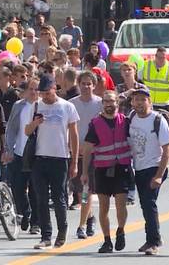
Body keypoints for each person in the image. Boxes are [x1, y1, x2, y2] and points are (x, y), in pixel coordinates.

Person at [31, 75, 79, 250]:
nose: (45, 96)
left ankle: (62, 231)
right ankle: (46, 235)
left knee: (59, 198)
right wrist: (35, 123)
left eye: (47, 92)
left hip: (60, 158)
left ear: (54, 89)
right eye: (42, 93)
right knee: (41, 198)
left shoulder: (67, 107)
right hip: (40, 157)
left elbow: (74, 135)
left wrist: (74, 162)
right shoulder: (37, 105)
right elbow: (27, 130)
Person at [82, 91, 133, 253]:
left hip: (121, 168)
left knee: (120, 205)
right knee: (103, 207)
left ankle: (121, 230)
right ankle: (107, 240)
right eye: (105, 101)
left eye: (111, 101)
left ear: (117, 103)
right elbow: (88, 149)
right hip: (102, 169)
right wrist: (84, 172)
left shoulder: (125, 121)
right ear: (102, 104)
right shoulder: (95, 123)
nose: (108, 104)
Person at [127, 88, 169, 255]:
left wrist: (159, 175)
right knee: (145, 205)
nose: (139, 102)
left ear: (150, 102)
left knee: (149, 203)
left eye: (143, 99)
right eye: (136, 99)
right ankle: (150, 239)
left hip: (155, 167)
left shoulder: (158, 120)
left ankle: (154, 242)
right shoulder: (131, 117)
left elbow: (167, 148)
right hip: (138, 167)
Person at [3, 78, 40, 235]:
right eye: (30, 88)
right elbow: (11, 128)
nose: (33, 92)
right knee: (17, 188)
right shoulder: (19, 106)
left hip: (37, 154)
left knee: (35, 190)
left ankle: (36, 223)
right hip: (19, 152)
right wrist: (8, 149)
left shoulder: (43, 106)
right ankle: (25, 212)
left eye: (36, 89)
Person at [68, 72, 102, 237]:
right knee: (82, 192)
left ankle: (82, 225)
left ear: (94, 85)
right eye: (83, 83)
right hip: (77, 154)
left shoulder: (100, 104)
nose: (86, 86)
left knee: (87, 190)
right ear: (78, 84)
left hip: (94, 153)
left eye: (89, 84)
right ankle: (90, 218)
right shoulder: (71, 104)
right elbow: (67, 129)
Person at [139, 47, 169, 112]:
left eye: (163, 58)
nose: (161, 60)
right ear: (155, 56)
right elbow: (138, 81)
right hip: (148, 103)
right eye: (159, 57)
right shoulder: (146, 65)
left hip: (165, 104)